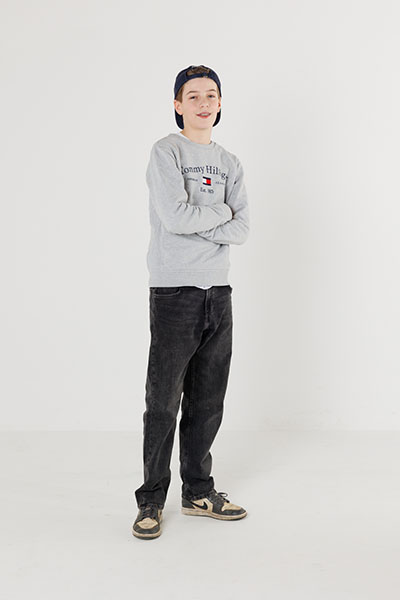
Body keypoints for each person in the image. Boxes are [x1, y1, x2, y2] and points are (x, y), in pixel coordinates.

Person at [132, 64, 250, 539]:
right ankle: (150, 501)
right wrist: (220, 210)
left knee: (207, 401)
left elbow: (243, 229)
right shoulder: (166, 151)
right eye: (193, 95)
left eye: (211, 95)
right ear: (178, 104)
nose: (204, 103)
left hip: (217, 292)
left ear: (220, 104)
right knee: (163, 402)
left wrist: (201, 215)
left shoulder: (230, 162)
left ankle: (198, 492)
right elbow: (174, 217)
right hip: (174, 291)